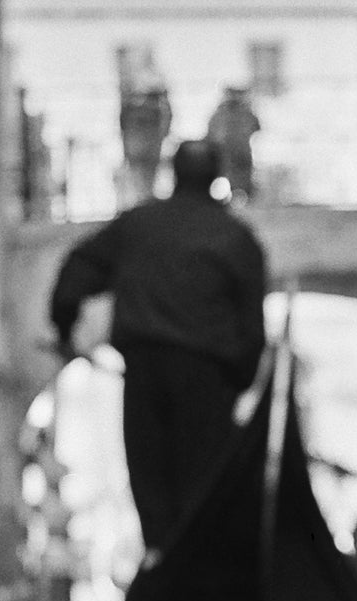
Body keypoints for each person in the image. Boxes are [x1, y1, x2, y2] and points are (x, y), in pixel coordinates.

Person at [49, 139, 267, 557]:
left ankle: (159, 556)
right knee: (201, 482)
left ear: (173, 172)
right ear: (216, 177)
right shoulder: (238, 239)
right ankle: (192, 565)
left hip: (145, 369)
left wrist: (64, 324)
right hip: (208, 378)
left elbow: (78, 267)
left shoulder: (139, 226)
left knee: (152, 479)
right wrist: (238, 380)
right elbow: (251, 330)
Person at [207, 86, 261, 201]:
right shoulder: (222, 113)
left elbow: (256, 127)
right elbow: (213, 134)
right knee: (227, 179)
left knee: (242, 180)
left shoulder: (246, 112)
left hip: (241, 153)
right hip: (226, 154)